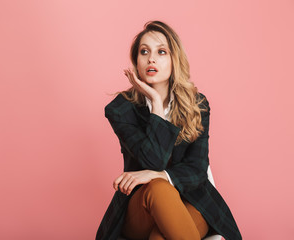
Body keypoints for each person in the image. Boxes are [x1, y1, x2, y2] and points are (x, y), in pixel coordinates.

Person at [96, 21, 242, 240]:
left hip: (192, 199)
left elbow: (197, 168)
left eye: (161, 52)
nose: (151, 59)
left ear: (174, 60)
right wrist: (155, 102)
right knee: (158, 189)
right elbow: (153, 160)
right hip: (141, 206)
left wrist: (160, 175)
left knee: (160, 237)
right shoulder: (121, 109)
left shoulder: (197, 104)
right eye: (144, 52)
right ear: (137, 61)